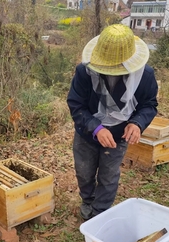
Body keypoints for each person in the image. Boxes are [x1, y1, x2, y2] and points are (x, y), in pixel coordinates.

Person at [67, 24, 158, 220]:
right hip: (87, 132)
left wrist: (137, 123)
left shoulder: (145, 76)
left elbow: (149, 105)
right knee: (84, 171)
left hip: (118, 134)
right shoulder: (84, 72)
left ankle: (100, 212)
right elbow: (76, 104)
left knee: (108, 175)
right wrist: (96, 128)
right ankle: (88, 200)